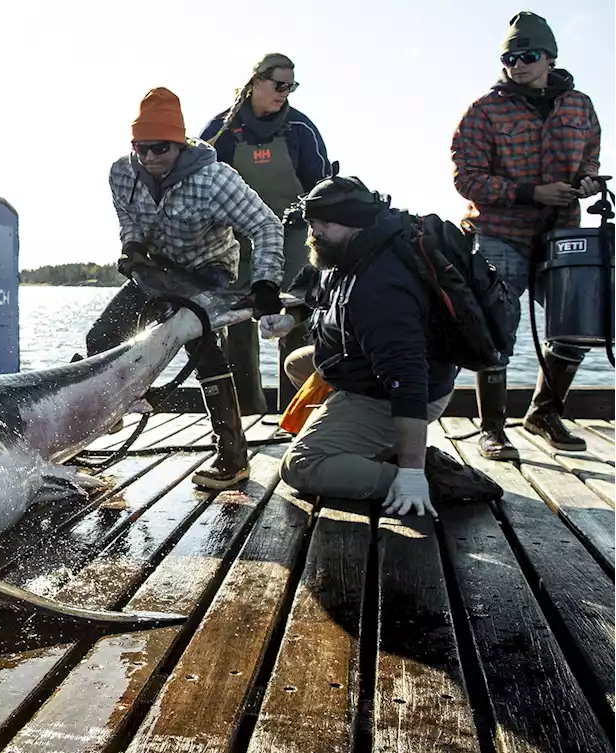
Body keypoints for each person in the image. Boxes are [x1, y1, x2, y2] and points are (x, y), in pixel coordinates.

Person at [83, 86, 286, 490]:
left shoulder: (215, 180)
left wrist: (265, 283)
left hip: (208, 269)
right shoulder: (121, 173)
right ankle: (104, 417)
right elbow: (128, 219)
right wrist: (133, 246)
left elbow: (266, 226)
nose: (150, 158)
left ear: (179, 144)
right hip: (156, 267)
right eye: (141, 148)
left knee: (203, 350)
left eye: (160, 148)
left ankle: (232, 459)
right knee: (101, 337)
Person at [451, 11, 603, 460]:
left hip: (562, 235)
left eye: (528, 55)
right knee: (498, 328)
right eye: (510, 57)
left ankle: (544, 413)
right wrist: (531, 192)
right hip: (499, 232)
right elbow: (467, 180)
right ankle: (493, 429)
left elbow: (590, 156)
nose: (518, 64)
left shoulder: (581, 106)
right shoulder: (482, 111)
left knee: (578, 322)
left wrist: (589, 180)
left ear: (550, 57)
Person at [278, 175, 463, 517]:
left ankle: (427, 478)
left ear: (355, 224)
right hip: (362, 368)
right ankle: (370, 446)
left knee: (301, 465)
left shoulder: (380, 286)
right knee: (298, 364)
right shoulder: (348, 250)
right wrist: (291, 319)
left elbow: (407, 381)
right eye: (311, 223)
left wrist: (410, 474)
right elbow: (318, 291)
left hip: (399, 392)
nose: (314, 233)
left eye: (325, 224)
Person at [200, 53, 334, 416]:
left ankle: (297, 415)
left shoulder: (301, 129)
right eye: (279, 84)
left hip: (293, 237)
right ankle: (248, 413)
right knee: (239, 327)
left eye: (291, 86)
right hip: (236, 239)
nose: (285, 92)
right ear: (255, 81)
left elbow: (322, 189)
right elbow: (199, 185)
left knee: (294, 322)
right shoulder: (221, 131)